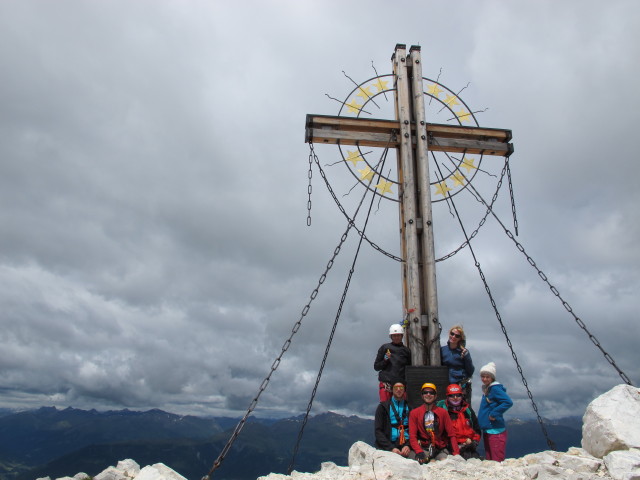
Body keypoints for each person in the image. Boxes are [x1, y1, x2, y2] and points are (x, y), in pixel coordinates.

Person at [408, 383, 460, 463]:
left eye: (431, 393)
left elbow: (451, 434)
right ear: (422, 395)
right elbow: (412, 436)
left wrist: (456, 453)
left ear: (435, 396)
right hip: (423, 448)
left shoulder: (443, 413)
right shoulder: (414, 413)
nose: (428, 394)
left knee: (443, 462)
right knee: (424, 462)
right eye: (425, 392)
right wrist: (419, 451)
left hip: (439, 449)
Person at [478, 362, 513, 462]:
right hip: (488, 429)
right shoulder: (488, 389)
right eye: (482, 376)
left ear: (492, 377)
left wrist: (494, 413)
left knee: (496, 459)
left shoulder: (495, 389)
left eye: (487, 376)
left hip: (495, 429)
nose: (484, 379)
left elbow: (508, 402)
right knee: (490, 458)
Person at [436, 384, 481, 459]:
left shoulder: (468, 411)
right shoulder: (443, 412)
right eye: (452, 396)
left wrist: (474, 442)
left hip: (468, 448)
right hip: (449, 449)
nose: (455, 398)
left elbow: (477, 429)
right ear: (447, 397)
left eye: (458, 395)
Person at [374, 381, 414, 458]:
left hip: (405, 447)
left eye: (401, 388)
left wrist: (408, 446)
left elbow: (414, 430)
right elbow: (378, 431)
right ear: (392, 389)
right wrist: (391, 448)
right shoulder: (383, 408)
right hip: (387, 447)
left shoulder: (410, 408)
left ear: (404, 390)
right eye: (396, 388)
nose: (398, 390)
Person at [374, 324, 412, 402]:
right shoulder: (384, 348)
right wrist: (385, 360)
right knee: (385, 408)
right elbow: (376, 367)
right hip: (386, 385)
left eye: (398, 335)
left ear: (402, 336)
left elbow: (409, 369)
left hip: (400, 385)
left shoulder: (406, 351)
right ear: (391, 336)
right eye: (394, 336)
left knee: (401, 409)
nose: (396, 337)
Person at [440, 325, 474, 401]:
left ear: (460, 339)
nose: (453, 336)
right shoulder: (442, 350)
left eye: (457, 336)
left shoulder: (464, 352)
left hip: (459, 385)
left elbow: (470, 371)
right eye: (452, 334)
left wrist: (466, 357)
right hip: (444, 384)